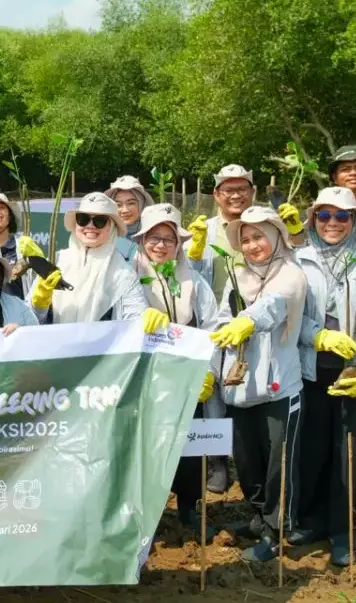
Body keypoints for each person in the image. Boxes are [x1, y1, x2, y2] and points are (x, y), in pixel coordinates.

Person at [291, 187, 356, 566]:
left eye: (342, 216)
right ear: (313, 220)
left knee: (351, 455)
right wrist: (315, 335)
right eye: (324, 216)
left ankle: (347, 531)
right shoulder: (299, 260)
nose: (332, 223)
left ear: (355, 221)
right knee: (313, 450)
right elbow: (292, 317)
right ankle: (311, 520)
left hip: (355, 371)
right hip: (311, 370)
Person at [207, 206, 308, 563]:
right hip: (239, 387)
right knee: (248, 462)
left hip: (279, 387)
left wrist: (246, 321)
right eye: (245, 239)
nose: (252, 245)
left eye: (259, 236)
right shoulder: (238, 276)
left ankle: (276, 531)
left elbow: (273, 307)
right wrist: (211, 356)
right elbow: (221, 318)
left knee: (277, 464)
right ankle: (257, 516)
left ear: (277, 236)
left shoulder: (292, 273)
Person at [130, 203, 220, 543]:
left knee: (189, 447)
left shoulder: (193, 281)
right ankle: (146, 515)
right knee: (147, 448)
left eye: (169, 239)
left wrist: (208, 371)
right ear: (142, 240)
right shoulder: (129, 278)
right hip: (147, 380)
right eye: (154, 237)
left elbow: (212, 326)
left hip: (187, 379)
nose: (161, 245)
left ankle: (188, 507)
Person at [29, 193, 156, 329]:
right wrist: (39, 305)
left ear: (112, 227)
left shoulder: (123, 273)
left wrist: (145, 318)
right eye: (83, 219)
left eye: (100, 221)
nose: (90, 226)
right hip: (55, 347)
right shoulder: (57, 260)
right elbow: (28, 319)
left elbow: (134, 318)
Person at [106, 175, 153, 261]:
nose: (125, 210)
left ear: (142, 204)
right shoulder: (101, 234)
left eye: (131, 203)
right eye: (118, 205)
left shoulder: (153, 234)